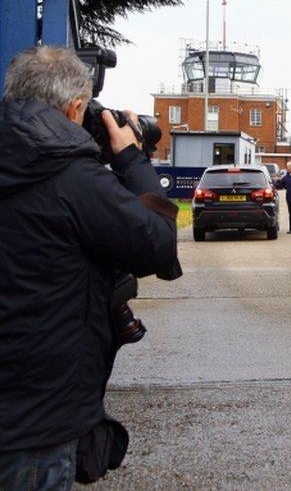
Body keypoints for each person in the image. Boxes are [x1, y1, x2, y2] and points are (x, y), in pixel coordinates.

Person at [0, 46, 179, 489]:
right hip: (35, 421)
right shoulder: (71, 177)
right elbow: (158, 245)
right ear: (76, 107)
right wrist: (131, 158)